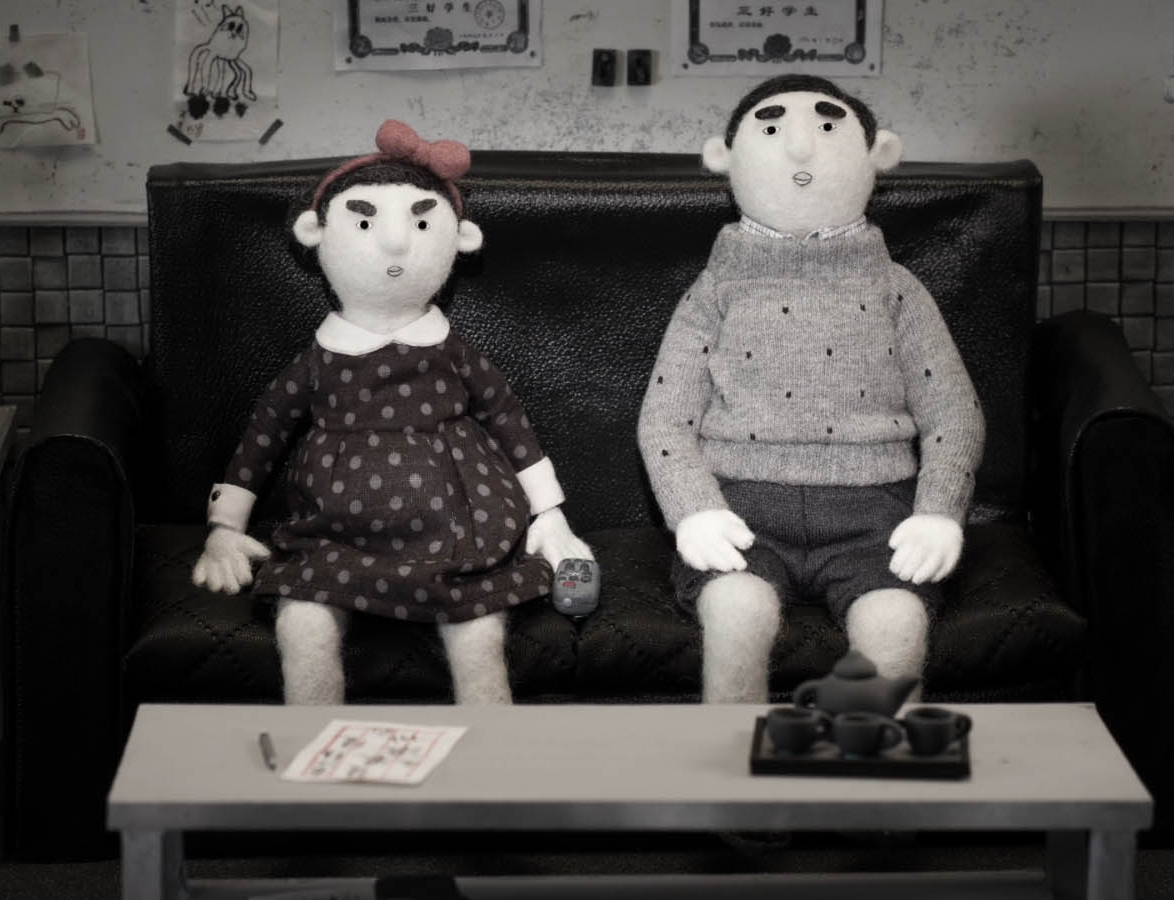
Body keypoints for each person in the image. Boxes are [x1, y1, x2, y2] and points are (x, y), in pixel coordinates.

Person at [192, 120, 592, 705]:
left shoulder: (452, 352)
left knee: (479, 631)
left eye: (423, 222)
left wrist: (550, 514)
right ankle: (315, 745)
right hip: (334, 538)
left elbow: (509, 421)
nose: (397, 244)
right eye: (364, 222)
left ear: (460, 239)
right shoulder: (318, 361)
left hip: (461, 534)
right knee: (302, 625)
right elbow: (265, 432)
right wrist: (225, 526)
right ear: (316, 233)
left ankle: (495, 745)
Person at [638, 74, 985, 702]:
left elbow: (953, 413)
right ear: (724, 158)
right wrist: (692, 507)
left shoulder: (898, 290)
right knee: (735, 612)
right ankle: (729, 754)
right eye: (772, 129)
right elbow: (665, 417)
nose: (800, 148)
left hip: (874, 515)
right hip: (740, 512)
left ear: (878, 156)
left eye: (827, 128)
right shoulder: (714, 292)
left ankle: (872, 754)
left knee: (894, 622)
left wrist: (939, 510)